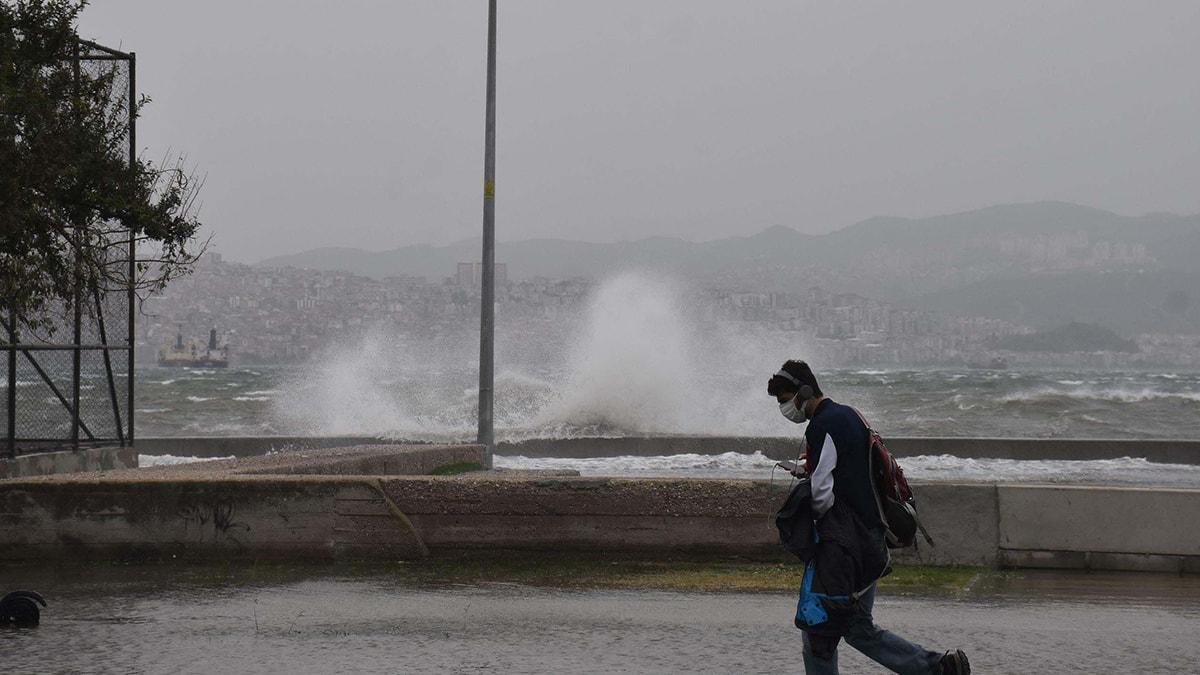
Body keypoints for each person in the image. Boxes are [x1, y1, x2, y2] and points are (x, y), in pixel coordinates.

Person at [768, 359, 971, 675]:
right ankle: (941, 668)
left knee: (818, 631)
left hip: (846, 547)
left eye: (785, 399)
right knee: (857, 626)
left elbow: (822, 492)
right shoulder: (850, 415)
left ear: (803, 392)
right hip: (871, 538)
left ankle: (938, 668)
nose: (785, 408)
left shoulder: (822, 425)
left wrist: (816, 526)